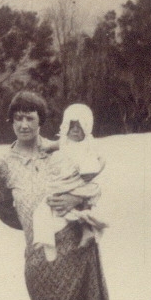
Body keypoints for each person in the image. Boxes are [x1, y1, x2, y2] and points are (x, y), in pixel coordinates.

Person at [0, 91, 109, 300]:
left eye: (30, 118)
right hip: (37, 243)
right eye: (18, 118)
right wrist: (32, 225)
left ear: (40, 121)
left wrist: (71, 201)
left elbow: (95, 186)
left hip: (74, 236)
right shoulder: (4, 164)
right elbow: (3, 209)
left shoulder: (61, 149)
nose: (24, 125)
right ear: (11, 121)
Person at [31, 103, 107, 261]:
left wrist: (88, 171)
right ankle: (44, 238)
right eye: (71, 126)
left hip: (80, 184)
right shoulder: (64, 142)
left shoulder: (88, 146)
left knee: (84, 205)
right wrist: (46, 147)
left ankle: (87, 232)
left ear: (87, 128)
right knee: (45, 209)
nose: (75, 130)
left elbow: (96, 165)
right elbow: (52, 145)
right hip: (64, 183)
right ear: (65, 126)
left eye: (79, 127)